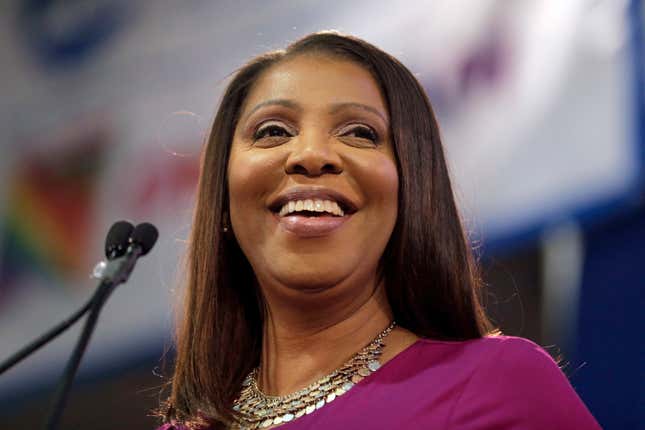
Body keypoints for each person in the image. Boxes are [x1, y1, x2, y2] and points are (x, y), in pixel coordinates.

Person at [156, 31, 601, 429]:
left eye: (360, 133)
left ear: (411, 191)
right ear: (223, 196)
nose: (311, 154)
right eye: (273, 131)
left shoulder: (496, 384)